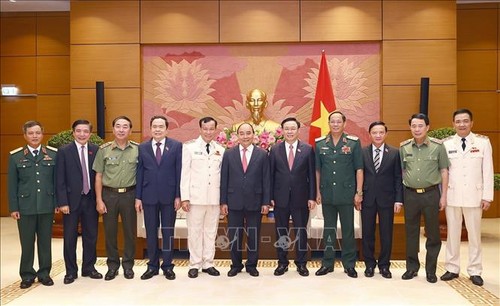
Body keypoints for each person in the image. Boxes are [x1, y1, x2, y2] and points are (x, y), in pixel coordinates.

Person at [440, 109, 494, 287]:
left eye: (465, 121)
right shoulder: (446, 144)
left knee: (474, 235)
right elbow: (443, 172)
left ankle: (475, 270)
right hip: (453, 195)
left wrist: (487, 196)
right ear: (453, 123)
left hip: (474, 196)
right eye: (458, 121)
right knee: (452, 234)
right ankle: (452, 267)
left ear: (472, 123)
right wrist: (443, 196)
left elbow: (488, 170)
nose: (461, 124)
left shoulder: (483, 143)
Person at [399, 113, 449, 283]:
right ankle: (412, 268)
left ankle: (431, 270)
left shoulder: (438, 146)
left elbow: (444, 171)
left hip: (431, 194)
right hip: (411, 195)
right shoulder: (404, 147)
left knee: (433, 234)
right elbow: (403, 171)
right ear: (410, 128)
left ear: (427, 127)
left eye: (420, 125)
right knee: (411, 232)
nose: (417, 129)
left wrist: (444, 196)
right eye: (413, 126)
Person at [8, 120, 58, 289]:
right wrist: (14, 207)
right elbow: (12, 184)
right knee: (27, 243)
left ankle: (44, 273)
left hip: (46, 204)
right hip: (25, 207)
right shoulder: (15, 156)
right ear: (25, 135)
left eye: (37, 133)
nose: (34, 136)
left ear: (42, 134)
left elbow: (56, 181)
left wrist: (56, 203)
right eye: (31, 133)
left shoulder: (52, 154)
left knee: (45, 242)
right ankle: (27, 274)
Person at [314, 111, 363, 278]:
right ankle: (327, 263)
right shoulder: (320, 143)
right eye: (332, 121)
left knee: (348, 230)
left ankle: (349, 264)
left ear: (344, 123)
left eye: (338, 121)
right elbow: (317, 170)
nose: (335, 124)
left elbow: (359, 169)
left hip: (347, 194)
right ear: (329, 123)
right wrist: (317, 191)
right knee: (329, 230)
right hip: (327, 193)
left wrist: (358, 192)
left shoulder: (353, 143)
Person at [220, 123, 271, 277]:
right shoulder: (229, 154)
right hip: (233, 200)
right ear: (237, 135)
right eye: (242, 133)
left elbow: (266, 179)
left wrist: (265, 202)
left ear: (253, 134)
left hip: (255, 201)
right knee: (234, 236)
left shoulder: (262, 154)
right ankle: (235, 265)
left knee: (253, 235)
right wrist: (223, 202)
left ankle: (251, 265)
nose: (245, 136)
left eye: (248, 133)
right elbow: (224, 178)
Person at [135, 115, 182, 281]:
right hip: (148, 196)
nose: (157, 129)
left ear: (167, 129)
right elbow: (139, 172)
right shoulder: (143, 147)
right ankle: (152, 266)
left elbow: (179, 173)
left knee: (168, 232)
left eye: (161, 126)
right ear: (150, 128)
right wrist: (138, 197)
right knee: (151, 232)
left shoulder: (176, 146)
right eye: (154, 126)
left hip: (169, 197)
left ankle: (168, 266)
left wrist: (178, 195)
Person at [56, 119, 102, 284]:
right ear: (73, 132)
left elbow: (99, 176)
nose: (82, 134)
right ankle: (70, 271)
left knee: (91, 236)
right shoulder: (64, 151)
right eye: (79, 131)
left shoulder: (96, 150)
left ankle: (89, 268)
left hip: (90, 199)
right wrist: (62, 202)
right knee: (70, 237)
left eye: (85, 131)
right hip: (70, 201)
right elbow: (59, 178)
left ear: (90, 133)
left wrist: (99, 199)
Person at [93, 116, 139, 281]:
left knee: (129, 232)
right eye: (118, 126)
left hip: (130, 195)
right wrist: (99, 199)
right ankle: (112, 266)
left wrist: (139, 198)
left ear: (130, 130)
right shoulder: (104, 150)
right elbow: (98, 176)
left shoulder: (137, 149)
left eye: (125, 126)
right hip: (109, 195)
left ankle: (128, 266)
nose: (121, 129)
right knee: (110, 232)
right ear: (113, 130)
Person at [269, 117, 316, 277]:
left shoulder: (308, 149)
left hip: (301, 198)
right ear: (282, 131)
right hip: (280, 198)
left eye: (292, 129)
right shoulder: (275, 149)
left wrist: (312, 197)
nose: (289, 131)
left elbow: (311, 175)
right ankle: (282, 263)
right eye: (286, 129)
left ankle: (301, 263)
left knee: (301, 231)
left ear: (298, 130)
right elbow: (270, 175)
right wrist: (270, 197)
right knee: (281, 231)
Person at [180, 117, 225, 278]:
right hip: (195, 198)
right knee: (194, 232)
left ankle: (208, 263)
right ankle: (194, 264)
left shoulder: (220, 149)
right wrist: (185, 197)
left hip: (214, 198)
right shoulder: (189, 147)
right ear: (200, 129)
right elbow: (184, 174)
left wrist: (222, 201)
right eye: (205, 129)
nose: (208, 132)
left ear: (215, 130)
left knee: (210, 232)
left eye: (211, 129)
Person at [361, 121, 403, 279]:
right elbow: (359, 175)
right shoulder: (362, 152)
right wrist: (358, 195)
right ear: (369, 134)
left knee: (386, 233)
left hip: (388, 199)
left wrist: (398, 200)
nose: (378, 135)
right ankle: (369, 265)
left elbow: (398, 178)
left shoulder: (394, 152)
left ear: (386, 134)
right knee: (367, 233)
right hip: (368, 198)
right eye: (374, 132)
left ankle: (384, 265)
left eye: (381, 132)